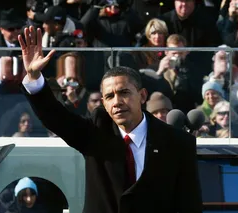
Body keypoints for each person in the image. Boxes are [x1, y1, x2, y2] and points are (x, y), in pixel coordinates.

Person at [18, 26, 202, 213]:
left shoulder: (177, 143)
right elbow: (56, 118)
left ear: (143, 96)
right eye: (109, 96)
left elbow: (189, 205)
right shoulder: (97, 131)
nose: (117, 102)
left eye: (124, 93)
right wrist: (34, 78)